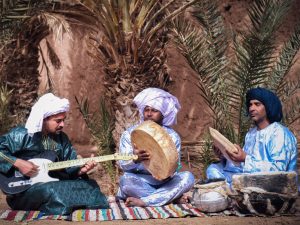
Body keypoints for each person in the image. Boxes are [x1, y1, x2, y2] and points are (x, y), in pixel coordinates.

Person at [0, 93, 108, 215]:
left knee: (90, 185)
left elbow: (68, 171)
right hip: (21, 192)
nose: (62, 125)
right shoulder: (22, 134)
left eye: (63, 120)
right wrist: (18, 163)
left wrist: (80, 171)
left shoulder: (62, 139)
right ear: (43, 119)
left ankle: (64, 203)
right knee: (52, 189)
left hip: (52, 183)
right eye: (58, 121)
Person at [116, 87, 195, 207]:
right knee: (125, 181)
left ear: (163, 113)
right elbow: (122, 164)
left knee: (188, 177)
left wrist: (167, 173)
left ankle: (145, 201)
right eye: (146, 109)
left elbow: (176, 165)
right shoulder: (130, 133)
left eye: (154, 110)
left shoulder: (172, 137)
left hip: (165, 182)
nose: (149, 113)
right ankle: (170, 198)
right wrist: (135, 159)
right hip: (140, 181)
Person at [206, 87, 298, 183]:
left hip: (275, 185)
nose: (251, 108)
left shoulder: (279, 133)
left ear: (268, 106)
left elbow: (278, 169)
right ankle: (230, 190)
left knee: (225, 183)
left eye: (257, 104)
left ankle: (229, 191)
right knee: (213, 169)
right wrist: (225, 157)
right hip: (251, 178)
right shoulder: (251, 134)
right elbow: (244, 166)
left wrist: (245, 158)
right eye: (250, 105)